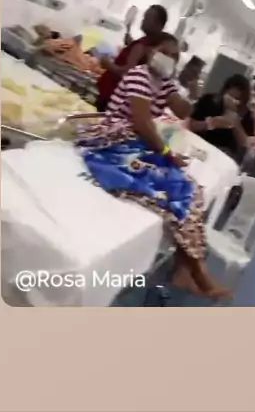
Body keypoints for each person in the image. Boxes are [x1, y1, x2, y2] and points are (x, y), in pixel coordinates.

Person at [76, 34, 232, 299]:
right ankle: (197, 270)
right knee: (173, 188)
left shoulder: (165, 83)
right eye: (165, 52)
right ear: (151, 52)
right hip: (114, 141)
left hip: (137, 143)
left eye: (175, 56)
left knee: (189, 189)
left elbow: (183, 112)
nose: (169, 58)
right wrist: (168, 153)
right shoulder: (139, 75)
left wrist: (192, 88)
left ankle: (187, 268)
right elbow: (142, 122)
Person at [96, 4, 168, 112]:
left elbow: (127, 73)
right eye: (144, 17)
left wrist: (108, 64)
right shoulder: (153, 45)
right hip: (125, 101)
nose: (143, 21)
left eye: (147, 18)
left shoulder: (143, 45)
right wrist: (132, 44)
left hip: (112, 97)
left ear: (158, 24)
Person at [188, 73, 252, 165]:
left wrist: (235, 122)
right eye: (230, 96)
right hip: (198, 147)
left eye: (237, 99)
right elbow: (190, 125)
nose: (233, 101)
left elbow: (245, 144)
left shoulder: (246, 115)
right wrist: (210, 123)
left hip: (222, 157)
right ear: (224, 92)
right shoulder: (208, 100)